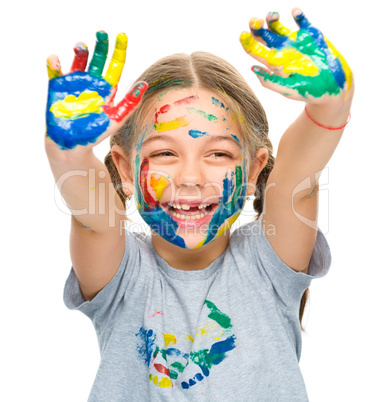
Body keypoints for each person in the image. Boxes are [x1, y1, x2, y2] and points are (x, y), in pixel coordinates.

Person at [45, 8, 353, 401]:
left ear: (255, 170)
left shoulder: (269, 262)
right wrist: (68, 153)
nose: (190, 177)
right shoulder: (121, 275)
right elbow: (94, 219)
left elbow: (298, 180)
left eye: (219, 155)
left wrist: (332, 106)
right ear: (124, 170)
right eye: (165, 154)